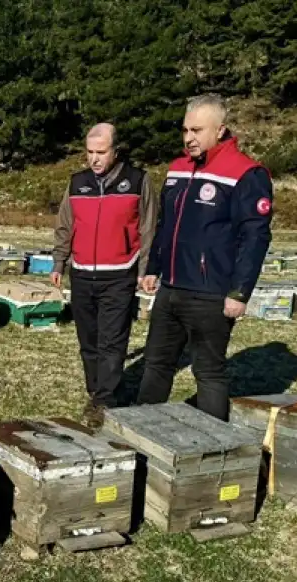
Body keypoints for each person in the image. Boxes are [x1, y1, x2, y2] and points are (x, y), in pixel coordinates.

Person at [137, 94, 273, 421]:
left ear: (220, 130)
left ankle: (213, 448)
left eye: (197, 130)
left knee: (208, 372)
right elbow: (165, 224)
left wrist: (239, 292)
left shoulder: (246, 173)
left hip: (210, 292)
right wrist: (154, 267)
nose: (189, 138)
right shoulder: (178, 169)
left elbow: (255, 236)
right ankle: (139, 430)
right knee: (156, 363)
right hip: (171, 288)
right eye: (185, 130)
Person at [51, 123, 158, 428]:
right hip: (82, 274)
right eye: (90, 152)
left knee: (112, 340)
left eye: (101, 152)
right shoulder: (77, 183)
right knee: (89, 340)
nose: (94, 159)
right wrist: (59, 262)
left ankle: (104, 400)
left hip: (119, 275)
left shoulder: (138, 181)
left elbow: (148, 228)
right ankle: (96, 389)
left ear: (115, 150)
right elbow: (65, 225)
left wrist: (146, 269)